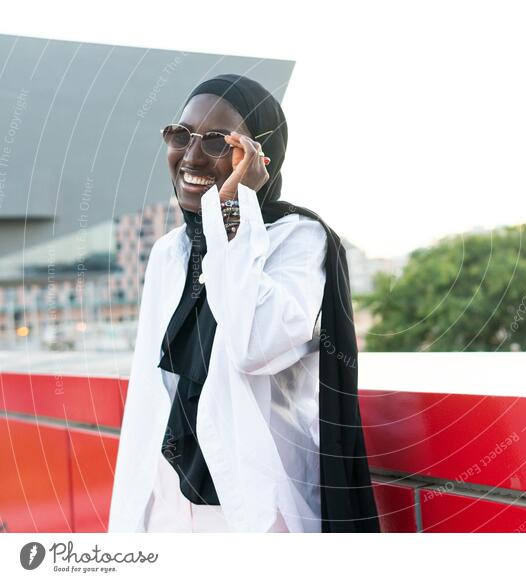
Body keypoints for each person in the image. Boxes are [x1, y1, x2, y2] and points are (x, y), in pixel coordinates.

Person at [108, 74, 380, 533]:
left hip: (257, 510)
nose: (192, 156)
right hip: (169, 506)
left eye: (218, 142)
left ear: (259, 157)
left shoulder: (298, 239)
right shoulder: (168, 253)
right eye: (181, 135)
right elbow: (148, 395)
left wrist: (233, 208)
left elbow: (252, 342)